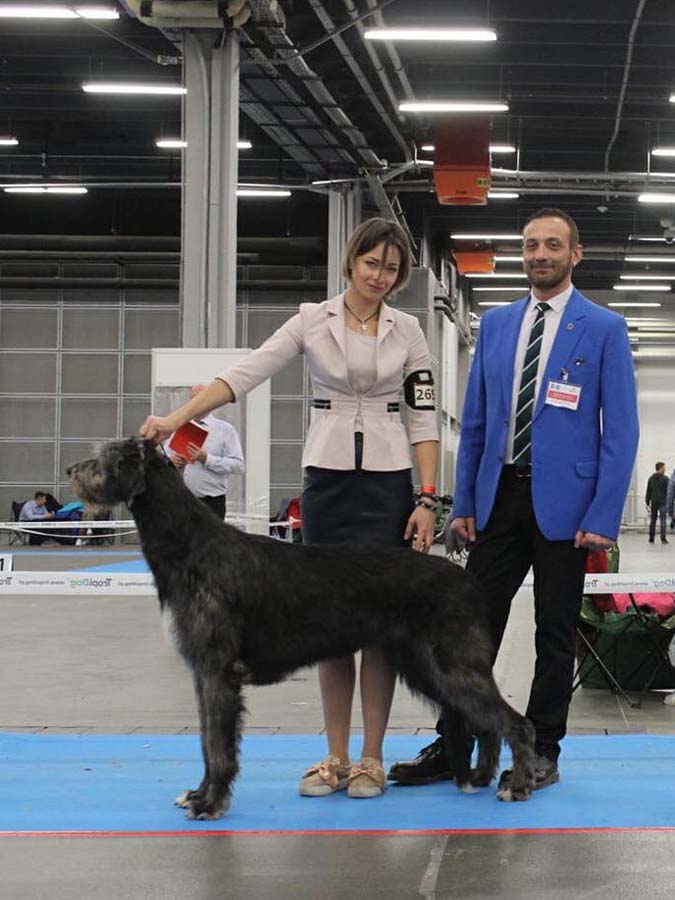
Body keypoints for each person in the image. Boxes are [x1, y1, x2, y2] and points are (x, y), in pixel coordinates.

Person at [140, 217, 439, 800]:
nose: (379, 276)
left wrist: (427, 497)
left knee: (380, 622)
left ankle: (373, 759)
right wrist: (178, 419)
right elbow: (244, 374)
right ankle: (334, 756)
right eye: (371, 263)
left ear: (401, 277)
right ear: (352, 261)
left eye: (392, 269)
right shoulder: (311, 319)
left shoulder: (410, 331)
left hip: (388, 480)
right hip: (326, 479)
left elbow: (424, 416)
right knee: (331, 620)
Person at [388, 207, 639, 791]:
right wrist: (466, 504)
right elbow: (476, 422)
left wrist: (603, 515)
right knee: (468, 630)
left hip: (568, 510)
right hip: (498, 499)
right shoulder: (497, 325)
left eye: (553, 245)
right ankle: (454, 746)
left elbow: (620, 433)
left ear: (575, 255)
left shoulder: (603, 327)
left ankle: (543, 749)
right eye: (531, 246)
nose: (540, 255)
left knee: (555, 635)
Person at [167, 384, 245, 520]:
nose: (195, 404)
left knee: (212, 541)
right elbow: (164, 457)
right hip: (182, 500)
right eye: (192, 400)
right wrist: (171, 461)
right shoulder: (180, 426)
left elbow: (238, 466)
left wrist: (207, 459)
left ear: (209, 402)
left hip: (212, 502)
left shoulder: (225, 430)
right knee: (182, 541)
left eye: (199, 400)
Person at [645, 461, 669, 545]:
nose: (665, 469)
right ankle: (663, 538)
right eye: (664, 467)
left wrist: (647, 501)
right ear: (660, 468)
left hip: (654, 502)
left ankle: (651, 538)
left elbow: (648, 490)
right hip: (663, 502)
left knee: (653, 520)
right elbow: (669, 491)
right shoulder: (665, 479)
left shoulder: (651, 478)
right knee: (663, 520)